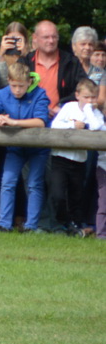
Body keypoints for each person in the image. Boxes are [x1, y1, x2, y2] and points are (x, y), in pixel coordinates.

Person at [0, 61, 49, 232]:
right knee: (7, 182)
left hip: (38, 148)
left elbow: (40, 121)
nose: (17, 90)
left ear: (29, 83)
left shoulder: (40, 94)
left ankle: (31, 226)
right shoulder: (3, 94)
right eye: (14, 86)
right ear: (9, 82)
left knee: (34, 184)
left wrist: (14, 122)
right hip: (15, 148)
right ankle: (4, 224)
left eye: (21, 86)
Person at [47, 77, 104, 235]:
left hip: (79, 160)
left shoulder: (95, 113)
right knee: (58, 194)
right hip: (60, 158)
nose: (90, 101)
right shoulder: (68, 107)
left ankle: (75, 225)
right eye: (86, 97)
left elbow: (97, 127)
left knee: (76, 195)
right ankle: (61, 223)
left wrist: (88, 112)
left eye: (93, 98)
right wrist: (73, 125)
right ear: (77, 95)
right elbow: (55, 125)